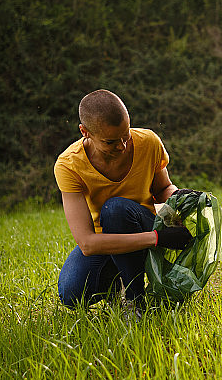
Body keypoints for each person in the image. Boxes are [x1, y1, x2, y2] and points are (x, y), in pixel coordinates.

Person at [54, 89, 193, 311]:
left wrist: (178, 197)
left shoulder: (148, 142)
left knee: (116, 210)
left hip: (144, 222)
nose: (122, 146)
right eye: (110, 142)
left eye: (125, 135)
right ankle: (118, 279)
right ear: (85, 132)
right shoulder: (69, 165)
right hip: (117, 239)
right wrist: (157, 238)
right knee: (71, 293)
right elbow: (88, 243)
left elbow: (163, 188)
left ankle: (135, 300)